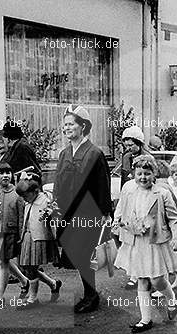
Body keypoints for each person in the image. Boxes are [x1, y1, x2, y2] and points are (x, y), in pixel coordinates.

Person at [112, 154, 177, 333]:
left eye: (147, 173)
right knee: (142, 279)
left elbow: (174, 218)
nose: (143, 177)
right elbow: (121, 208)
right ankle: (145, 319)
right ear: (134, 175)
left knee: (157, 279)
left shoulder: (162, 193)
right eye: (139, 173)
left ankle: (171, 298)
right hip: (136, 241)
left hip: (155, 242)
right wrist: (117, 220)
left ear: (154, 174)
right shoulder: (129, 190)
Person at [53, 105, 112, 314]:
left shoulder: (94, 153)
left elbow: (103, 186)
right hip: (69, 213)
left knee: (86, 256)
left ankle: (91, 295)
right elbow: (58, 183)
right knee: (78, 255)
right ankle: (90, 292)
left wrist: (106, 213)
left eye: (71, 124)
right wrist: (55, 206)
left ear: (83, 126)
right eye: (65, 124)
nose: (66, 128)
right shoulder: (64, 153)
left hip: (88, 214)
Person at [0, 162, 33, 305]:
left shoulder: (17, 193)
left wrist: (22, 235)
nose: (5, 175)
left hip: (12, 234)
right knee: (3, 261)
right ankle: (27, 281)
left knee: (6, 263)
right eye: (1, 173)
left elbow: (22, 217)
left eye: (8, 172)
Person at [15, 174, 61, 308]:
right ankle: (53, 283)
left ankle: (33, 298)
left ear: (35, 191)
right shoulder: (28, 201)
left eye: (25, 196)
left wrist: (50, 214)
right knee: (27, 267)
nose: (24, 199)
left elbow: (56, 215)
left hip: (39, 237)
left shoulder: (45, 200)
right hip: (28, 236)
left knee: (31, 267)